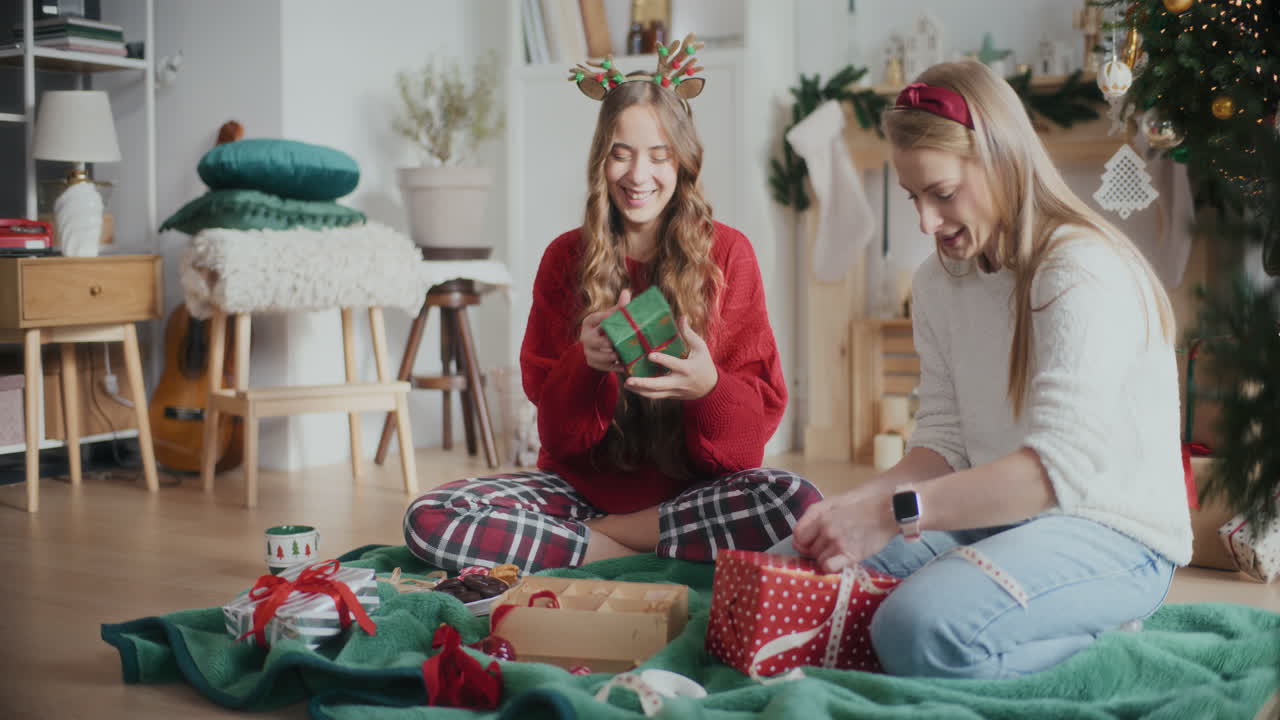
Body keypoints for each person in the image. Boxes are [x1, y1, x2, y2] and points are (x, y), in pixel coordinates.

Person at [779, 60, 1191, 679]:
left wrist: (889, 514)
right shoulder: (937, 282)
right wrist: (855, 505)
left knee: (915, 630)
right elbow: (943, 444)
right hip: (996, 518)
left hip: (1111, 535)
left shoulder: (1079, 269)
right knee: (797, 568)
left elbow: (1052, 476)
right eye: (913, 197)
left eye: (942, 194)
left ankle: (1105, 638)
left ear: (1001, 160)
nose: (926, 222)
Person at [404, 38, 822, 574]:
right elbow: (559, 440)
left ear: (683, 160)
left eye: (659, 155)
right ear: (601, 160)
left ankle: (591, 547)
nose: (638, 175)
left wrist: (708, 387)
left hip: (691, 500)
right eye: (621, 154)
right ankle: (640, 553)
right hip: (578, 496)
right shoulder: (565, 258)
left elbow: (744, 452)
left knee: (794, 502)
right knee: (432, 516)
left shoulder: (728, 254)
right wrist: (586, 364)